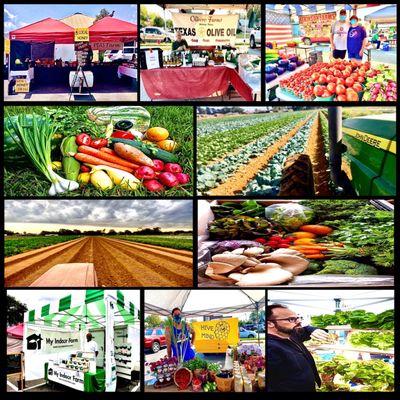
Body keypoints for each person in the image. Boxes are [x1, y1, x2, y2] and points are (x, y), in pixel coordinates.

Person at [267, 304, 331, 392]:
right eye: (291, 319)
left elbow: (306, 329)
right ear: (270, 323)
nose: (298, 321)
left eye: (298, 318)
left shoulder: (292, 335)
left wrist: (313, 330)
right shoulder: (271, 348)